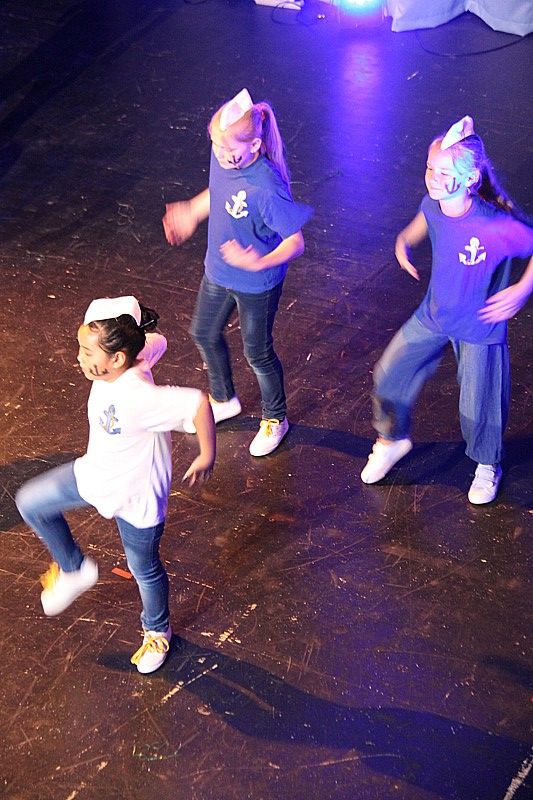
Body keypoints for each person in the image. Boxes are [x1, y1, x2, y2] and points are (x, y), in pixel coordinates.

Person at [16, 296, 216, 674]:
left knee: (144, 568)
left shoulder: (138, 397)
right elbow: (156, 341)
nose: (78, 357)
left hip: (136, 496)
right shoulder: (134, 353)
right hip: (95, 474)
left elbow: (198, 403)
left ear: (118, 359)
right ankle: (73, 568)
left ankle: (157, 630)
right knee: (30, 501)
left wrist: (207, 454)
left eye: (87, 351)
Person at [360, 116, 533, 504]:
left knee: (478, 407)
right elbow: (423, 221)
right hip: (434, 314)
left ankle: (487, 463)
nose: (433, 178)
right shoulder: (434, 205)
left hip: (479, 326)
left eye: (443, 172)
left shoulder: (493, 225)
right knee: (389, 374)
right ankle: (391, 440)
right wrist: (404, 241)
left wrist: (522, 289)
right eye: (430, 168)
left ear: (470, 178)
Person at [162, 88, 311, 457]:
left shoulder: (266, 187)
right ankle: (224, 398)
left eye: (228, 149)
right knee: (203, 332)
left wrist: (258, 262)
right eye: (215, 146)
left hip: (257, 283)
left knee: (257, 352)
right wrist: (192, 210)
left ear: (255, 145)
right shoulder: (223, 158)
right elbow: (218, 191)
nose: (219, 155)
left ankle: (275, 418)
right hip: (218, 270)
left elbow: (295, 242)